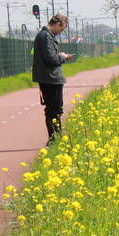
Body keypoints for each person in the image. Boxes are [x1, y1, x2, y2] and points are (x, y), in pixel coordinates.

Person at [32, 14, 73, 142]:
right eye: (61, 29)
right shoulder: (45, 36)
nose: (61, 32)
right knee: (53, 110)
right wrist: (62, 57)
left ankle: (56, 137)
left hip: (50, 78)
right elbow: (51, 58)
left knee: (55, 109)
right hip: (50, 78)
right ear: (57, 24)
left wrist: (59, 55)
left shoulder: (46, 36)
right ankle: (54, 138)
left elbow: (50, 56)